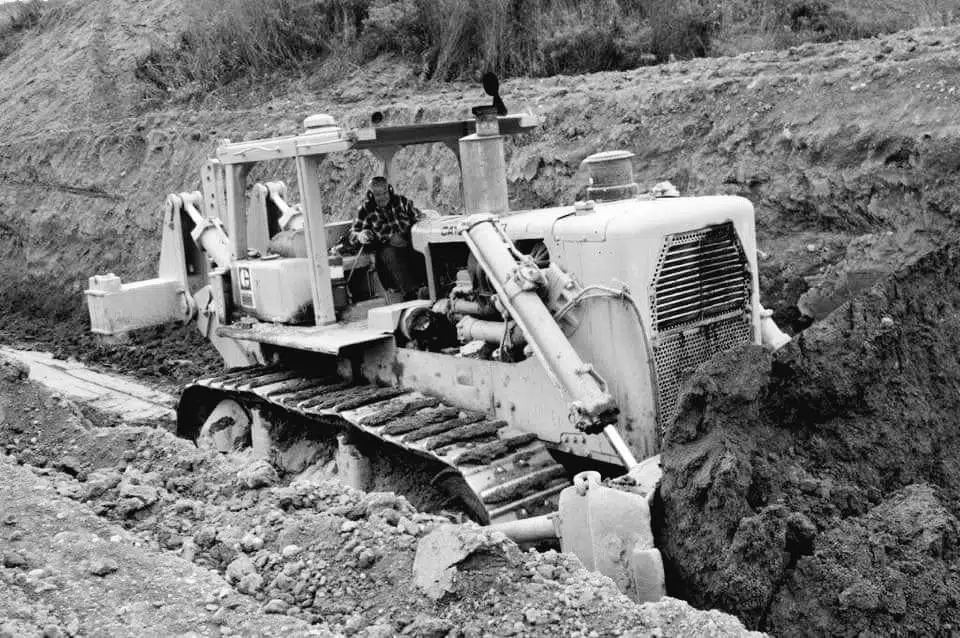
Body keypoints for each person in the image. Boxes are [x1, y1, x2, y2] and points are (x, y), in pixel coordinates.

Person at [349, 176, 427, 300]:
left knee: (425, 248)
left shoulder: (402, 202)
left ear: (390, 190)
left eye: (385, 193)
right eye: (378, 194)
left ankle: (431, 286)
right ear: (370, 195)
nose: (383, 197)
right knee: (390, 253)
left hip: (408, 242)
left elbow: (419, 217)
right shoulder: (365, 210)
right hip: (385, 249)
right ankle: (412, 294)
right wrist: (361, 235)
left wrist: (419, 221)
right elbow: (353, 234)